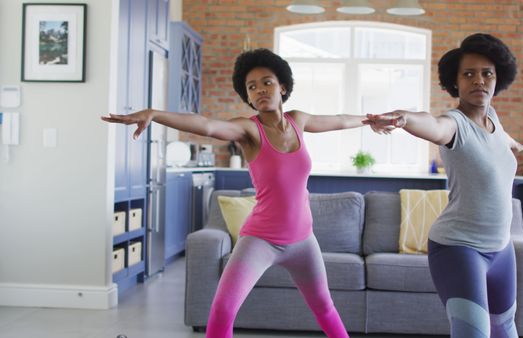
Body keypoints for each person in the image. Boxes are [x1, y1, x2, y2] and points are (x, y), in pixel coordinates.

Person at [102, 48, 365, 338]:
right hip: (260, 240)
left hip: (304, 242)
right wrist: (155, 114)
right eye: (252, 87)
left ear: (283, 87)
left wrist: (372, 119)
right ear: (248, 97)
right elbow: (208, 125)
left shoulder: (298, 120)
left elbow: (339, 119)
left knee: (324, 306)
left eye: (267, 82)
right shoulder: (248, 131)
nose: (260, 90)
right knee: (223, 310)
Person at [364, 33, 523, 338]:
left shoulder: (492, 118)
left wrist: (514, 144)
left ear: (498, 78)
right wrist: (402, 118)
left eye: (486, 73)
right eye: (469, 74)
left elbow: (498, 140)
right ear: (456, 82)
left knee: (505, 328)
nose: (479, 80)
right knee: (473, 333)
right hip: (458, 248)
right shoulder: (454, 124)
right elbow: (432, 125)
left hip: (501, 248)